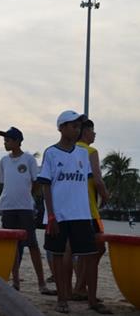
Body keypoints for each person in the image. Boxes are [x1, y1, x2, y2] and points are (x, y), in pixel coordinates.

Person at [37, 110, 106, 314]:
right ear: (61, 128)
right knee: (58, 256)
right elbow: (46, 185)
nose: (77, 130)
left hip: (81, 215)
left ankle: (92, 300)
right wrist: (51, 215)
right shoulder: (51, 152)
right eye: (73, 126)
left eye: (79, 127)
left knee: (90, 255)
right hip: (58, 215)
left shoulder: (83, 154)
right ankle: (62, 299)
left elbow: (86, 182)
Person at [0, 127, 55, 295]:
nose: (5, 142)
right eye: (5, 140)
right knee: (11, 245)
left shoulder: (29, 159)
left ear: (17, 141)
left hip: (25, 207)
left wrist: (27, 195)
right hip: (7, 206)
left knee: (32, 244)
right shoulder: (3, 161)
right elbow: (2, 183)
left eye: (8, 139)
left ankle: (42, 283)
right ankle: (15, 282)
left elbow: (36, 182)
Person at [72, 119, 112, 313]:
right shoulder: (90, 152)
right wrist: (105, 196)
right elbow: (97, 179)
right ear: (86, 133)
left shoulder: (71, 151)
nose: (95, 135)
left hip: (74, 211)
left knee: (81, 251)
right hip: (90, 210)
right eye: (93, 131)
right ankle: (82, 288)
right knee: (97, 249)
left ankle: (79, 287)